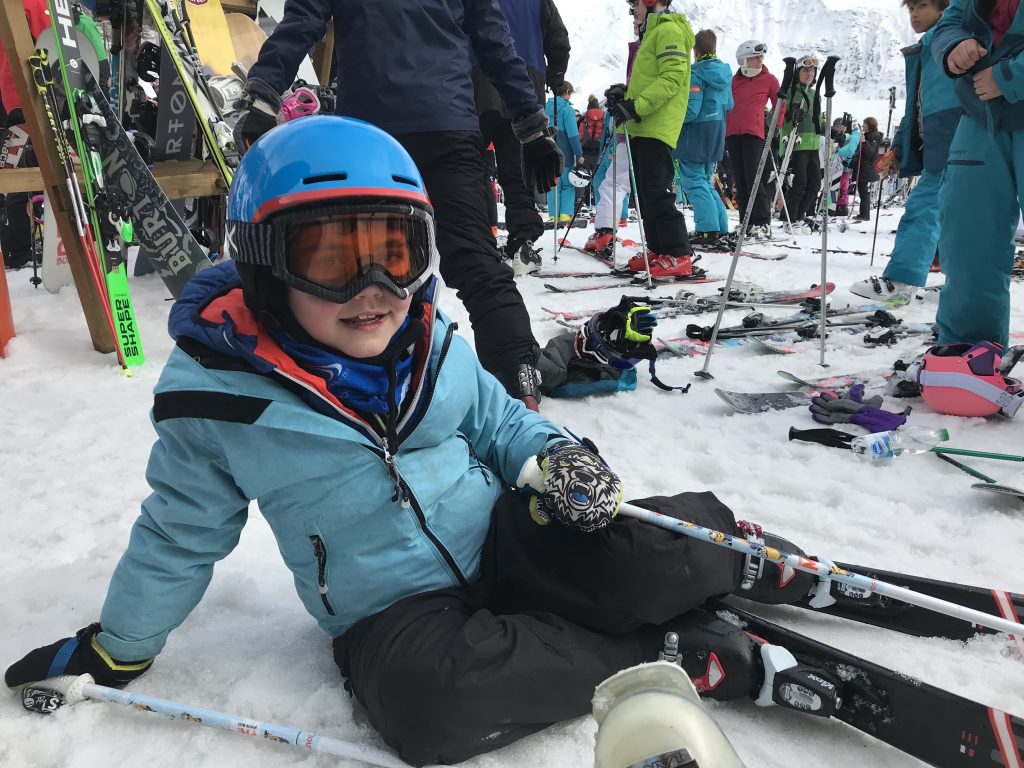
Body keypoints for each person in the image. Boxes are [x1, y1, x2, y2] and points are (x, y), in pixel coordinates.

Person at [5, 115, 815, 768]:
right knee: (436, 705)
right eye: (330, 261)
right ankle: (660, 646)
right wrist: (117, 649)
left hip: (499, 538)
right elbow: (177, 536)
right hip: (387, 609)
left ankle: (733, 555)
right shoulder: (216, 395)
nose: (373, 293)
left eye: (396, 255)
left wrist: (556, 456)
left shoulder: (428, 339)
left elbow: (498, 422)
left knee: (637, 550)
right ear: (262, 267)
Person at [232, 0, 564, 408]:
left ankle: (371, 380)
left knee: (371, 259)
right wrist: (531, 124)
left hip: (372, 133)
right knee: (475, 259)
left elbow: (304, 22)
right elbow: (496, 45)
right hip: (447, 124)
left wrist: (264, 92)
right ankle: (520, 381)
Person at [850, 0, 958, 305]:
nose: (914, 14)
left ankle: (903, 279)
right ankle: (962, 284)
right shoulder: (926, 47)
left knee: (923, 210)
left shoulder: (950, 38)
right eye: (910, 8)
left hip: (954, 140)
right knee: (956, 218)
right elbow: (915, 110)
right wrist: (898, 148)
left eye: (922, 6)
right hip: (939, 143)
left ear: (943, 7)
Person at [931, 0, 1019, 347]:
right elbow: (951, 22)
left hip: (1000, 93)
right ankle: (969, 351)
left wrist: (1010, 76)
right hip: (979, 117)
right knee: (969, 239)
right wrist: (954, 45)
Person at [474, 0, 571, 277]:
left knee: (471, 166)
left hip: (477, 82)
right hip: (526, 85)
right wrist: (556, 76)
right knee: (518, 170)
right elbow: (558, 39)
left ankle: (475, 239)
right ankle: (522, 244)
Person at [604, 0, 696, 278]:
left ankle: (679, 253)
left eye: (635, 7)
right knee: (645, 195)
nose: (633, 14)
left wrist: (637, 105)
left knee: (657, 192)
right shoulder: (653, 34)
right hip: (642, 126)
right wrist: (626, 95)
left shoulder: (668, 31)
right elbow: (652, 79)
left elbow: (673, 77)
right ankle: (659, 249)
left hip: (657, 124)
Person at [673, 28, 734, 250]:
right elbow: (730, 105)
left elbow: (691, 109)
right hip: (717, 133)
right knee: (706, 182)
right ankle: (720, 227)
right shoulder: (725, 74)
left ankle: (707, 230)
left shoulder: (696, 73)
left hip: (695, 135)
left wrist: (673, 119)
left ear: (695, 52)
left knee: (694, 182)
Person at [725, 40, 784, 241]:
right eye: (755, 58)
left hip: (754, 134)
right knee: (739, 179)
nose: (760, 61)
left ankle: (762, 222)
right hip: (733, 133)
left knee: (754, 177)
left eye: (761, 57)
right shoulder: (734, 81)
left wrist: (774, 126)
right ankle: (747, 221)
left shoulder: (769, 80)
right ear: (744, 60)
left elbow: (779, 104)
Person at [780, 55, 825, 234]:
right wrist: (792, 119)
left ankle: (798, 217)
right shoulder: (791, 92)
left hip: (813, 144)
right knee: (800, 183)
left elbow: (817, 120)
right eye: (805, 70)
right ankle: (788, 219)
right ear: (798, 72)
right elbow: (782, 119)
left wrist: (829, 130)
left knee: (815, 185)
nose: (809, 74)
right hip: (797, 144)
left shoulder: (815, 95)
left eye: (812, 71)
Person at [544, 81, 584, 227]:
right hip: (564, 153)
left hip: (548, 151)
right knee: (567, 185)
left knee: (553, 184)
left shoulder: (545, 107)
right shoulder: (567, 110)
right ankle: (565, 215)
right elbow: (573, 135)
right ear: (566, 91)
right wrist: (579, 154)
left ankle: (553, 216)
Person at [854, 117, 883, 221]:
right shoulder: (868, 136)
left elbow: (870, 152)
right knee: (862, 190)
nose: (863, 125)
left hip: (867, 167)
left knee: (863, 191)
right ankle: (863, 213)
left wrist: (864, 141)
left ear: (869, 125)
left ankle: (865, 214)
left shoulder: (873, 137)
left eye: (864, 123)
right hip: (864, 166)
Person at [833, 114, 860, 216]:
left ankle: (838, 206)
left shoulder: (851, 136)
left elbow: (849, 151)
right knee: (841, 187)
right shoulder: (853, 135)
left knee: (839, 186)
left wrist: (836, 152)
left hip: (843, 166)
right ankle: (840, 206)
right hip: (844, 165)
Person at [579, 94, 606, 171]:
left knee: (584, 176)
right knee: (596, 174)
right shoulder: (603, 119)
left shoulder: (584, 120)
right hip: (599, 151)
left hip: (585, 151)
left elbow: (580, 137)